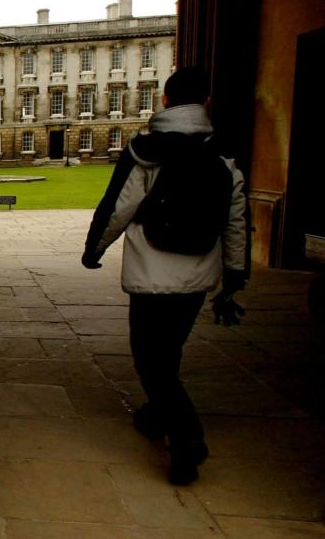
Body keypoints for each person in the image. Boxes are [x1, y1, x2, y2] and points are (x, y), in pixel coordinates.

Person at [81, 67, 247, 485]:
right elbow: (235, 222)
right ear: (206, 102)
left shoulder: (146, 151)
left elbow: (118, 206)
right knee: (168, 352)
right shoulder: (224, 156)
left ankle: (187, 438)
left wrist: (94, 249)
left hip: (151, 272)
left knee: (150, 360)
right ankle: (156, 415)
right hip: (197, 275)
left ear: (166, 101)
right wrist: (234, 276)